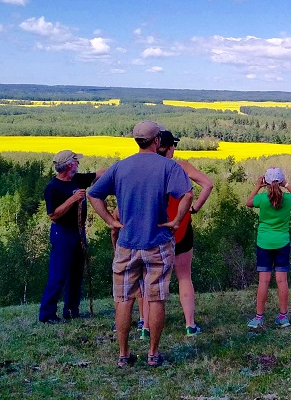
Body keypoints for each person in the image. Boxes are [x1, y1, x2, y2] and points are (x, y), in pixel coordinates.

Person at [88, 121, 193, 368]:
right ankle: (153, 354)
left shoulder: (120, 167)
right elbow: (187, 194)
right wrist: (176, 221)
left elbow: (94, 194)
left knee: (124, 299)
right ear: (157, 141)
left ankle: (124, 355)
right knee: (155, 298)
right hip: (157, 241)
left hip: (127, 243)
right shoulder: (168, 166)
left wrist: (110, 221)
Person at [38, 150, 106, 323]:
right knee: (58, 275)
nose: (78, 162)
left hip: (78, 232)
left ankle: (71, 310)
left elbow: (100, 173)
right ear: (69, 165)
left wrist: (120, 168)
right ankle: (47, 315)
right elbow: (53, 215)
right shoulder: (53, 188)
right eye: (76, 160)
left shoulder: (78, 179)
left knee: (76, 273)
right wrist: (72, 199)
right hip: (62, 233)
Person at [157, 129, 213, 336]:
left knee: (150, 279)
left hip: (154, 228)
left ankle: (145, 326)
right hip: (180, 227)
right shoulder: (181, 167)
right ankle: (189, 324)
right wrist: (195, 207)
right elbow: (208, 184)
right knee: (184, 277)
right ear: (170, 148)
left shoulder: (147, 168)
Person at [245, 167, 291, 328]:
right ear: (281, 181)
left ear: (266, 182)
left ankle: (258, 317)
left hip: (264, 242)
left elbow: (248, 202)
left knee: (263, 281)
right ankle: (283, 317)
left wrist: (257, 186)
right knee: (282, 280)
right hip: (282, 242)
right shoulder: (289, 199)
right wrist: (287, 184)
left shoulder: (262, 199)